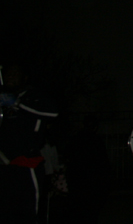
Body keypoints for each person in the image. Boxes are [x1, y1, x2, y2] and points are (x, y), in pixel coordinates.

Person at [0, 60, 59, 223]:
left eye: (15, 74)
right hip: (6, 165)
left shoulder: (34, 96)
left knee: (28, 213)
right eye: (8, 74)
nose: (10, 77)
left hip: (27, 164)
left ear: (24, 78)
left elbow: (52, 113)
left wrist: (17, 103)